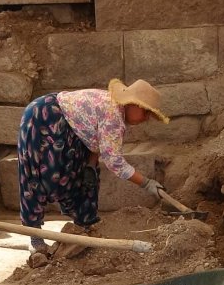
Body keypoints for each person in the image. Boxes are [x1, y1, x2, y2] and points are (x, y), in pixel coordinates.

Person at [16, 79, 170, 260]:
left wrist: (90, 164)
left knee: (87, 177)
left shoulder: (115, 110)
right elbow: (115, 162)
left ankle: (84, 227)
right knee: (40, 175)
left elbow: (94, 137)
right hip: (45, 118)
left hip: (69, 129)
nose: (145, 119)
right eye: (146, 112)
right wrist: (147, 183)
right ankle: (35, 238)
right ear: (132, 104)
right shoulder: (114, 115)